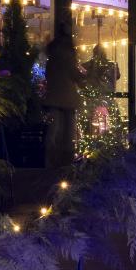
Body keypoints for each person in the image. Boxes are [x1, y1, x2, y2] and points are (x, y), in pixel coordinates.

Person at [42, 30, 80, 169]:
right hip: (68, 101)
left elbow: (48, 77)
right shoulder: (69, 57)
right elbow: (76, 76)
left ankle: (51, 163)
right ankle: (66, 164)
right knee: (68, 134)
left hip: (53, 100)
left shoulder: (51, 59)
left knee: (54, 132)